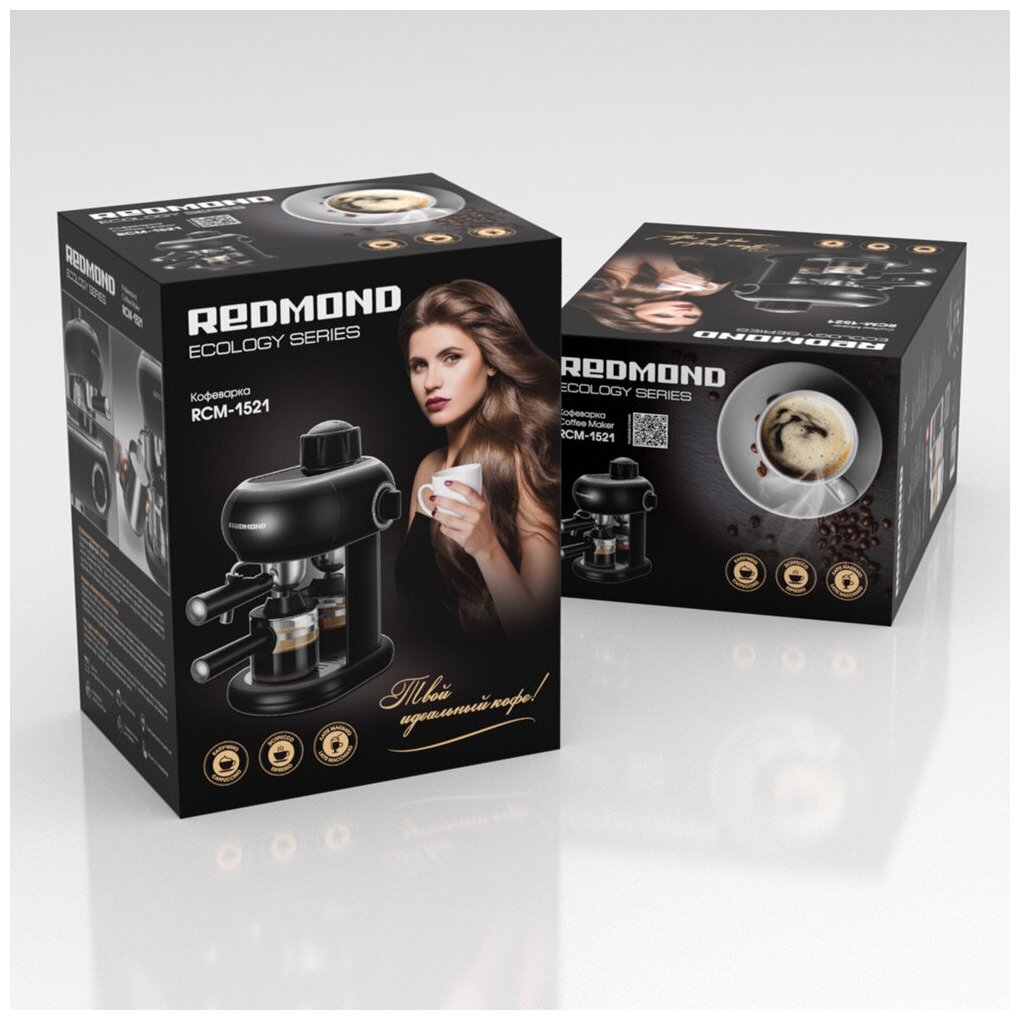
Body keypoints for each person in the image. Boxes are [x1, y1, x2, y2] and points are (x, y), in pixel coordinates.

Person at [394, 280, 560, 639]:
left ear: (490, 361)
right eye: (419, 365)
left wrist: (486, 548)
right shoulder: (428, 469)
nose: (431, 382)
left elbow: (537, 630)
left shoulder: (521, 464)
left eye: (451, 358)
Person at [572, 250, 730, 334]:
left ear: (629, 311)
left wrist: (667, 269)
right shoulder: (698, 291)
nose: (682, 312)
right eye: (691, 316)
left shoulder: (615, 287)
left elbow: (635, 249)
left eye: (663, 316)